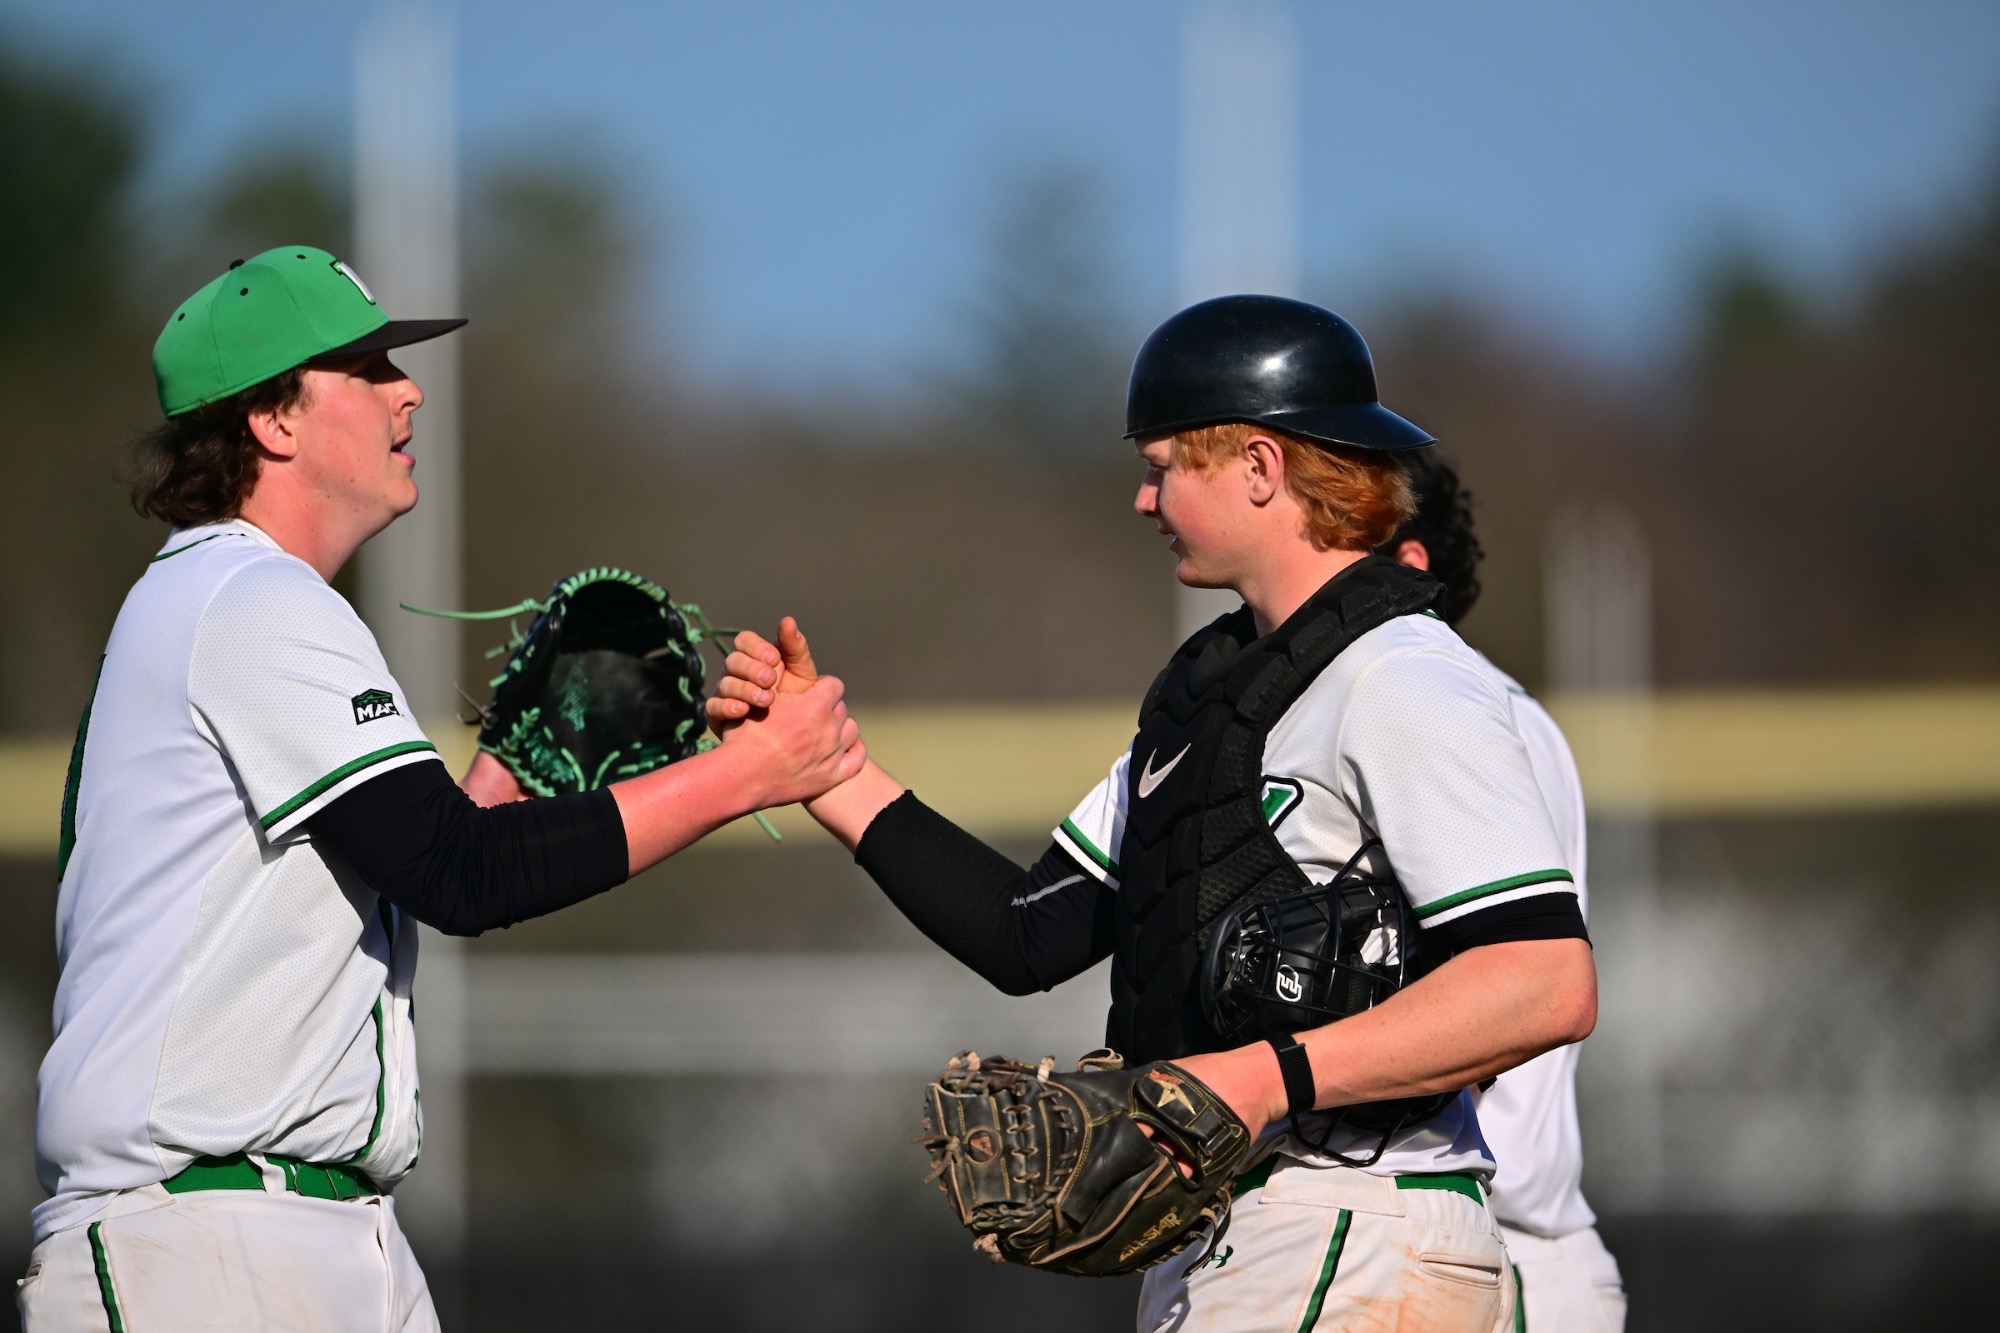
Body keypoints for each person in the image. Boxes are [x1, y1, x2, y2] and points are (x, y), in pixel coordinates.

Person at [710, 295, 1597, 1331]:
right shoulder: (1211, 693)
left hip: (1352, 1223)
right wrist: (825, 770)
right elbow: (1027, 929)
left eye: (1167, 463)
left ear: (1261, 470)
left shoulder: (1398, 674)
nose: (1143, 498)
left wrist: (1267, 1077)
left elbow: (1541, 980)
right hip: (1250, 1236)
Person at [21, 246, 863, 1333]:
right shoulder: (248, 596)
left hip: (298, 1233)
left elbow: (428, 861)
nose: (406, 388)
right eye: (366, 367)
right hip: (207, 1241)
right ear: (272, 421)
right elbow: (463, 876)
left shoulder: (225, 599)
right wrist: (753, 770)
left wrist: (501, 774)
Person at [1381, 452, 1626, 1331]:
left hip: (1483, 1247)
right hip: (1485, 1249)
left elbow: (1487, 1004)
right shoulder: (1468, 708)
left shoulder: (1456, 717)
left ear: (1408, 570)